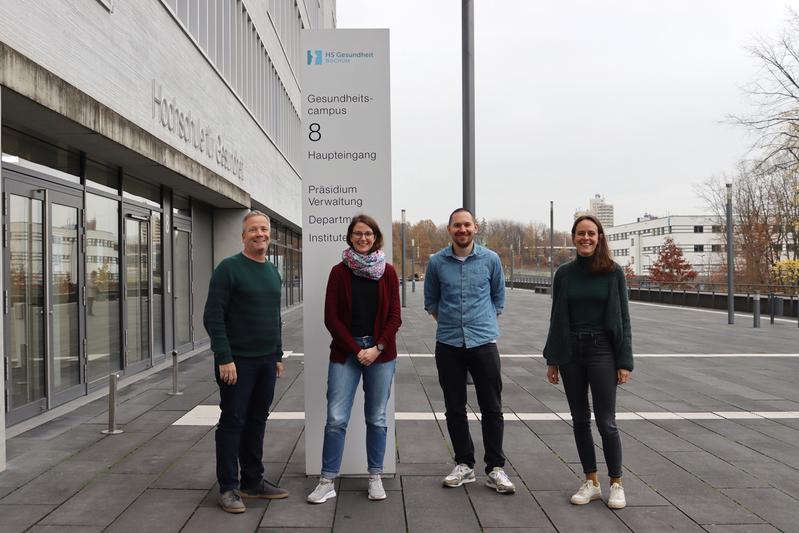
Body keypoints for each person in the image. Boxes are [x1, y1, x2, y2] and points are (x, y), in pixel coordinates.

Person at [307, 214, 402, 504]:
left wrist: (378, 348)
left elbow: (395, 317)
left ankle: (375, 477)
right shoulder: (339, 272)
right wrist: (356, 349)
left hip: (381, 355)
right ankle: (327, 481)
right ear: (350, 237)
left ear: (376, 237)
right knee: (336, 418)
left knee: (377, 417)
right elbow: (331, 317)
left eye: (368, 233)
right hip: (346, 353)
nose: (363, 238)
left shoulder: (387, 272)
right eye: (358, 233)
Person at [543, 214, 633, 510]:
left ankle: (616, 483)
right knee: (580, 420)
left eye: (591, 233)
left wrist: (624, 361)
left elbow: (623, 319)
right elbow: (557, 317)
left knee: (606, 421)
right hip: (570, 352)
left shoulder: (613, 272)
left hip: (602, 350)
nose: (586, 238)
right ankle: (591, 482)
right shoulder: (564, 274)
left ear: (599, 237)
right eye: (580, 233)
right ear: (573, 237)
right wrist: (553, 358)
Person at [423, 208, 515, 494]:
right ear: (449, 229)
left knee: (492, 407)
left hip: (484, 343)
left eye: (467, 225)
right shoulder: (437, 262)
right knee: (454, 408)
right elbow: (431, 301)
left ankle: (495, 468)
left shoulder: (491, 260)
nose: (462, 230)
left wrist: (481, 322)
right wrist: (453, 324)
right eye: (456, 225)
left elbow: (498, 297)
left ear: (475, 228)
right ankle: (464, 464)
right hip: (449, 344)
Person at [203, 210, 289, 514]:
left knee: (257, 421)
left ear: (270, 234)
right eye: (253, 229)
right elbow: (213, 316)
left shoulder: (272, 271)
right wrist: (224, 357)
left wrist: (277, 354)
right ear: (243, 236)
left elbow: (273, 318)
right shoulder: (229, 269)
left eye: (264, 229)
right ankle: (228, 487)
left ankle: (253, 481)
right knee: (232, 423)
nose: (260, 234)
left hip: (266, 362)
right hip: (237, 362)